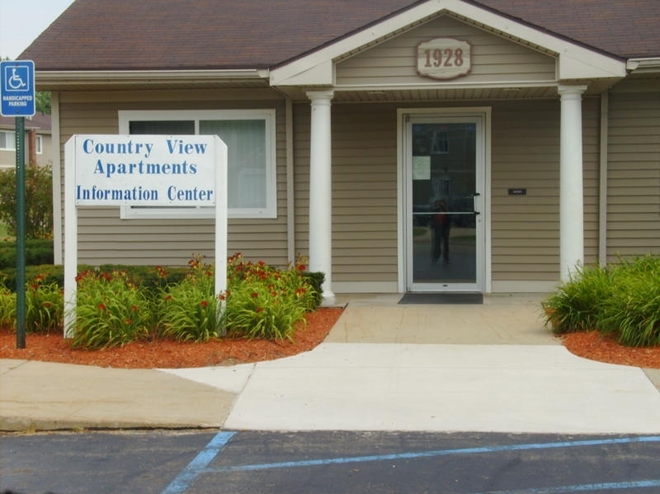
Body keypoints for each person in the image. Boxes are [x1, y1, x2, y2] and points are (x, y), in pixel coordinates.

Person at [431, 199, 450, 263]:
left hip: (445, 227)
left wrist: (444, 208)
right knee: (437, 243)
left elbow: (449, 217)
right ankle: (436, 256)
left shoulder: (446, 210)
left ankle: (446, 257)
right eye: (440, 204)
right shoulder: (436, 210)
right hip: (438, 227)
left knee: (446, 243)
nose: (441, 205)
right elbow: (432, 216)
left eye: (442, 204)